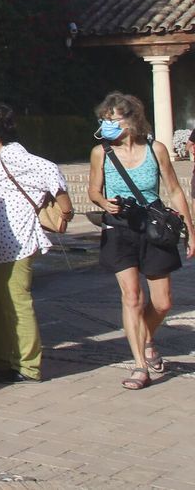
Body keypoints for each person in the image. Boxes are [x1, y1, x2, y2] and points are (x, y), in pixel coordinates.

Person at [86, 91, 195, 390]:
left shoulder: (155, 148)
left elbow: (174, 190)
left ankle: (146, 338)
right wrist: (103, 202)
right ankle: (139, 365)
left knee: (162, 302)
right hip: (119, 229)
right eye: (103, 120)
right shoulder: (101, 153)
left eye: (113, 120)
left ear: (131, 120)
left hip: (154, 227)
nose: (106, 125)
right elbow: (93, 190)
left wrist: (190, 230)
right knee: (132, 297)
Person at [0, 103, 73, 384]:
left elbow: (50, 171)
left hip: (17, 242)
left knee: (17, 303)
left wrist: (66, 209)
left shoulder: (13, 155)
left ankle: (27, 365)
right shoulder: (0, 156)